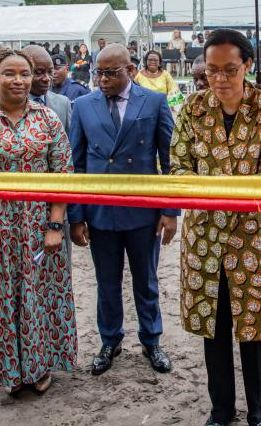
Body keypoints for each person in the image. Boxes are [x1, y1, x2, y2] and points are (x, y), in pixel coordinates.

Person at [171, 28, 261, 426]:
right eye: (212, 70)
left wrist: (231, 196)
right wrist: (207, 195)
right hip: (205, 236)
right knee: (215, 328)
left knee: (255, 331)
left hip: (255, 236)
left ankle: (259, 411)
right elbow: (179, 167)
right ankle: (221, 409)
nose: (220, 79)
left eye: (231, 70)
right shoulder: (192, 108)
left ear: (249, 66)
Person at [0, 49, 77, 395]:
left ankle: (40, 367)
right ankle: (9, 370)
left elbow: (63, 174)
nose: (19, 80)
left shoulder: (47, 119)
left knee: (39, 297)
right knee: (0, 298)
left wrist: (55, 226)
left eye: (24, 74)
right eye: (9, 74)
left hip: (40, 225)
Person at [68, 44, 178, 376]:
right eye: (98, 72)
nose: (102, 79)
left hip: (143, 209)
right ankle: (110, 340)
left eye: (110, 72)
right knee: (107, 281)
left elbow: (169, 161)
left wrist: (170, 211)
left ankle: (151, 339)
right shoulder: (83, 106)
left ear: (130, 70)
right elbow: (77, 164)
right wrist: (77, 216)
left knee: (146, 280)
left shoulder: (154, 101)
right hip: (101, 211)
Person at [21, 45, 72, 133]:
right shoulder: (10, 104)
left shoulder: (63, 103)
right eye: (39, 72)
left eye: (50, 72)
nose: (47, 78)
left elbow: (70, 141)